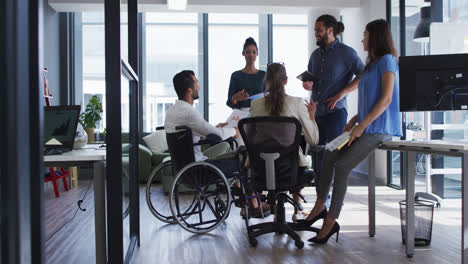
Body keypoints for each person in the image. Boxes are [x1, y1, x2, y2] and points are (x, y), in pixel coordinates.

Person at [300, 19, 403, 244]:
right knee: (328, 153)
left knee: (343, 166)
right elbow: (369, 99)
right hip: (364, 124)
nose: (362, 38)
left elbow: (385, 100)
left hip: (379, 128)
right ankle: (319, 206)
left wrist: (361, 126)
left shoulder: (388, 61)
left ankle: (331, 221)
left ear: (375, 37)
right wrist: (355, 119)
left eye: (365, 34)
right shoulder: (371, 65)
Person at [165, 70, 270, 218]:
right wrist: (235, 130)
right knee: (247, 154)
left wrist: (216, 128)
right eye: (196, 83)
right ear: (189, 90)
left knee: (239, 151)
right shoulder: (188, 112)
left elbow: (199, 133)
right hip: (199, 170)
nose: (199, 87)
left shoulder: (174, 111)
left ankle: (246, 200)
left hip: (184, 168)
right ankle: (253, 205)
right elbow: (218, 136)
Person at [250, 62, 319, 221]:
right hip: (290, 172)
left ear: (266, 80)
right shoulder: (297, 103)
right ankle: (297, 211)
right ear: (286, 81)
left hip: (261, 170)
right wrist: (312, 116)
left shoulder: (255, 104)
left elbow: (252, 138)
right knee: (298, 142)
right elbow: (314, 140)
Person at [303, 15, 365, 186]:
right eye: (315, 30)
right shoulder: (315, 55)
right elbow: (311, 80)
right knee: (317, 157)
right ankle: (321, 201)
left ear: (330, 30)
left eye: (319, 30)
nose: (315, 33)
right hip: (316, 114)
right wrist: (308, 85)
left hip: (336, 113)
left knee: (333, 156)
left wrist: (343, 92)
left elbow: (363, 75)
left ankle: (335, 200)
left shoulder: (347, 53)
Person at [226, 37, 266, 110]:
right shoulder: (236, 75)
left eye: (254, 52)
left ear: (257, 54)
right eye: (248, 52)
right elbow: (229, 102)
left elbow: (269, 97)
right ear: (243, 53)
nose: (251, 55)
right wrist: (234, 99)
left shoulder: (263, 75)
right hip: (242, 114)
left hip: (260, 113)